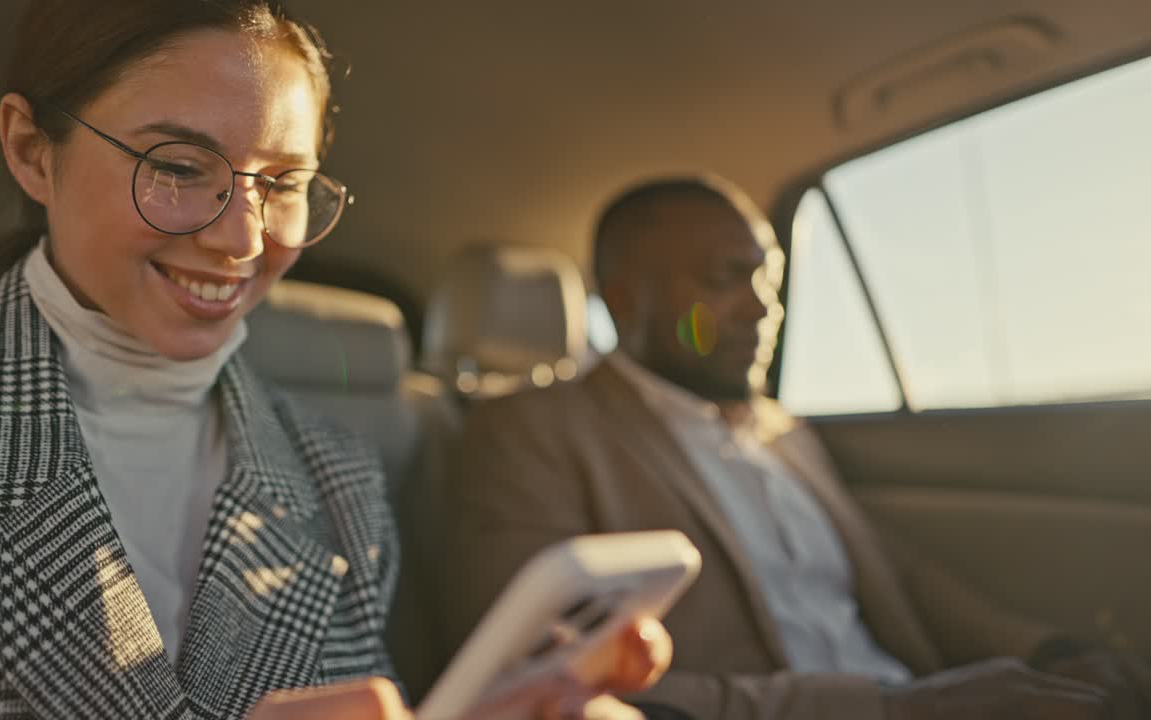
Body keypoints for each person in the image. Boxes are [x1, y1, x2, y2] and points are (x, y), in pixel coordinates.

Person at [0, 2, 672, 718]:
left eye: (284, 183)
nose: (243, 242)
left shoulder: (341, 478)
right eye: (179, 168)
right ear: (32, 151)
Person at [440, 176, 1151, 720]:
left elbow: (901, 580)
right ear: (626, 299)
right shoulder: (532, 430)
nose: (759, 307)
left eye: (767, 278)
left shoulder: (786, 434)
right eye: (723, 280)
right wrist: (899, 708)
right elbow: (545, 676)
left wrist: (1048, 651)